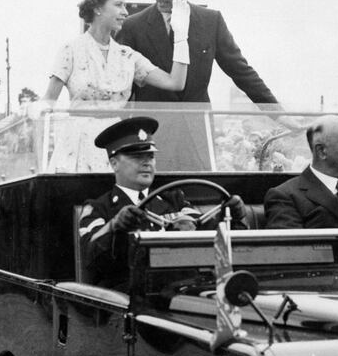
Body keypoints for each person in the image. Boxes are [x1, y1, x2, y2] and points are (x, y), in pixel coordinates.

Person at [79, 117, 245, 289]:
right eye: (137, 157)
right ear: (114, 163)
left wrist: (229, 216)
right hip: (127, 300)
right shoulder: (97, 208)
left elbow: (205, 230)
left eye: (150, 156)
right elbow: (90, 257)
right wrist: (115, 226)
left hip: (184, 292)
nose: (146, 163)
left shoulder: (174, 200)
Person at [116, 0, 276, 106]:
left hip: (197, 126)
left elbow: (242, 73)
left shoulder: (211, 22)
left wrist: (279, 114)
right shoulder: (132, 26)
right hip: (151, 129)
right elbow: (122, 88)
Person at [43, 0, 189, 107]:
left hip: (115, 136)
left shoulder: (127, 56)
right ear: (97, 8)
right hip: (79, 135)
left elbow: (175, 83)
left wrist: (181, 37)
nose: (125, 12)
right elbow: (48, 102)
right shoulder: (71, 50)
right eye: (118, 5)